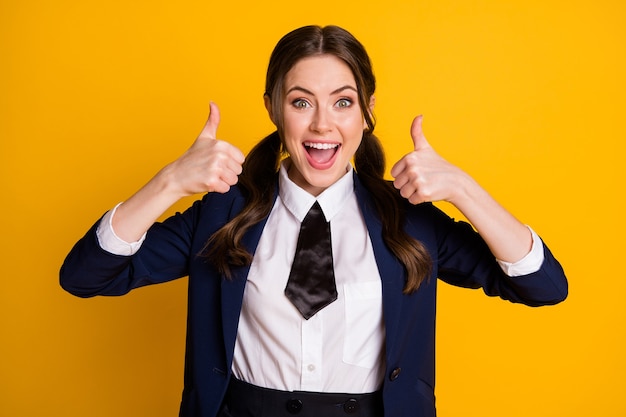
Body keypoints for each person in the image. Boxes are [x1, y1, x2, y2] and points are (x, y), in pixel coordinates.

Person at [60, 25, 568, 417]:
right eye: (301, 102)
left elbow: (544, 286)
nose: (323, 124)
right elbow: (84, 276)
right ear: (274, 109)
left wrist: (462, 189)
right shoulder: (224, 214)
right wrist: (168, 182)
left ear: (367, 111)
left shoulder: (409, 219)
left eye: (343, 102)